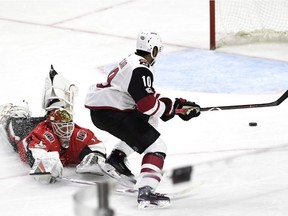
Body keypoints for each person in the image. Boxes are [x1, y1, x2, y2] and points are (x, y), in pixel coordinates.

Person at [84, 30, 201, 208]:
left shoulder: (133, 60)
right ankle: (146, 192)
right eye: (157, 51)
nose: (157, 55)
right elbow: (148, 105)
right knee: (157, 146)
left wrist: (177, 105)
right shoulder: (141, 68)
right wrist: (173, 110)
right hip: (111, 112)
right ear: (152, 50)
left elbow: (144, 98)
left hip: (106, 109)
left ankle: (116, 158)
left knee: (151, 121)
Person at [0, 65, 106, 184]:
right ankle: (16, 112)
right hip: (26, 133)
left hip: (47, 124)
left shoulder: (78, 133)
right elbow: (36, 157)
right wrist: (46, 164)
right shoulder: (42, 134)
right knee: (11, 125)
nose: (66, 131)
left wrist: (95, 157)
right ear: (53, 125)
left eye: (68, 126)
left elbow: (96, 145)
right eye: (62, 127)